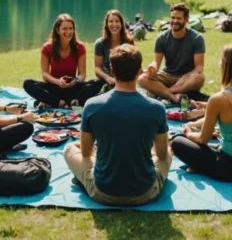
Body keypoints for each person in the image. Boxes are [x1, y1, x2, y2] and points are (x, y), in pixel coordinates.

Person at [64, 44, 172, 206]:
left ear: (112, 71)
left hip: (103, 192)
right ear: (139, 71)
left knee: (70, 149)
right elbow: (161, 155)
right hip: (146, 192)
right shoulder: (157, 108)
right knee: (169, 150)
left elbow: (86, 152)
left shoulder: (92, 105)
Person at [171, 44, 232, 182]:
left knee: (177, 142)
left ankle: (200, 167)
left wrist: (187, 133)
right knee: (212, 146)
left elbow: (203, 139)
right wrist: (194, 123)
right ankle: (201, 165)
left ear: (225, 66)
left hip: (231, 168)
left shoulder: (220, 98)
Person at [23, 14, 105, 108]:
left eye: (71, 28)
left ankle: (59, 101)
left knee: (98, 82)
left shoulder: (80, 47)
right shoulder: (47, 48)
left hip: (73, 88)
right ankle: (62, 103)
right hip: (54, 87)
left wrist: (75, 81)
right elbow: (45, 74)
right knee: (27, 83)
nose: (68, 32)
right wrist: (58, 82)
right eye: (64, 29)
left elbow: (82, 74)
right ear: (57, 30)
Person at [138, 3, 206, 103]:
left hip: (187, 77)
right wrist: (152, 68)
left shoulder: (196, 38)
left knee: (199, 78)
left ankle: (167, 92)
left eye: (178, 18)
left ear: (186, 20)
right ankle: (173, 96)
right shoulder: (162, 38)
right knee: (141, 78)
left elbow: (199, 67)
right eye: (173, 18)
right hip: (168, 75)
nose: (175, 21)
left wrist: (185, 77)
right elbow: (156, 61)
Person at [94, 9, 135, 90]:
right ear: (106, 24)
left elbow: (133, 65)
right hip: (106, 80)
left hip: (124, 81)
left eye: (117, 21)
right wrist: (107, 78)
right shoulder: (99, 43)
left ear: (121, 23)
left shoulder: (129, 41)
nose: (114, 24)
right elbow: (97, 68)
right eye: (111, 21)